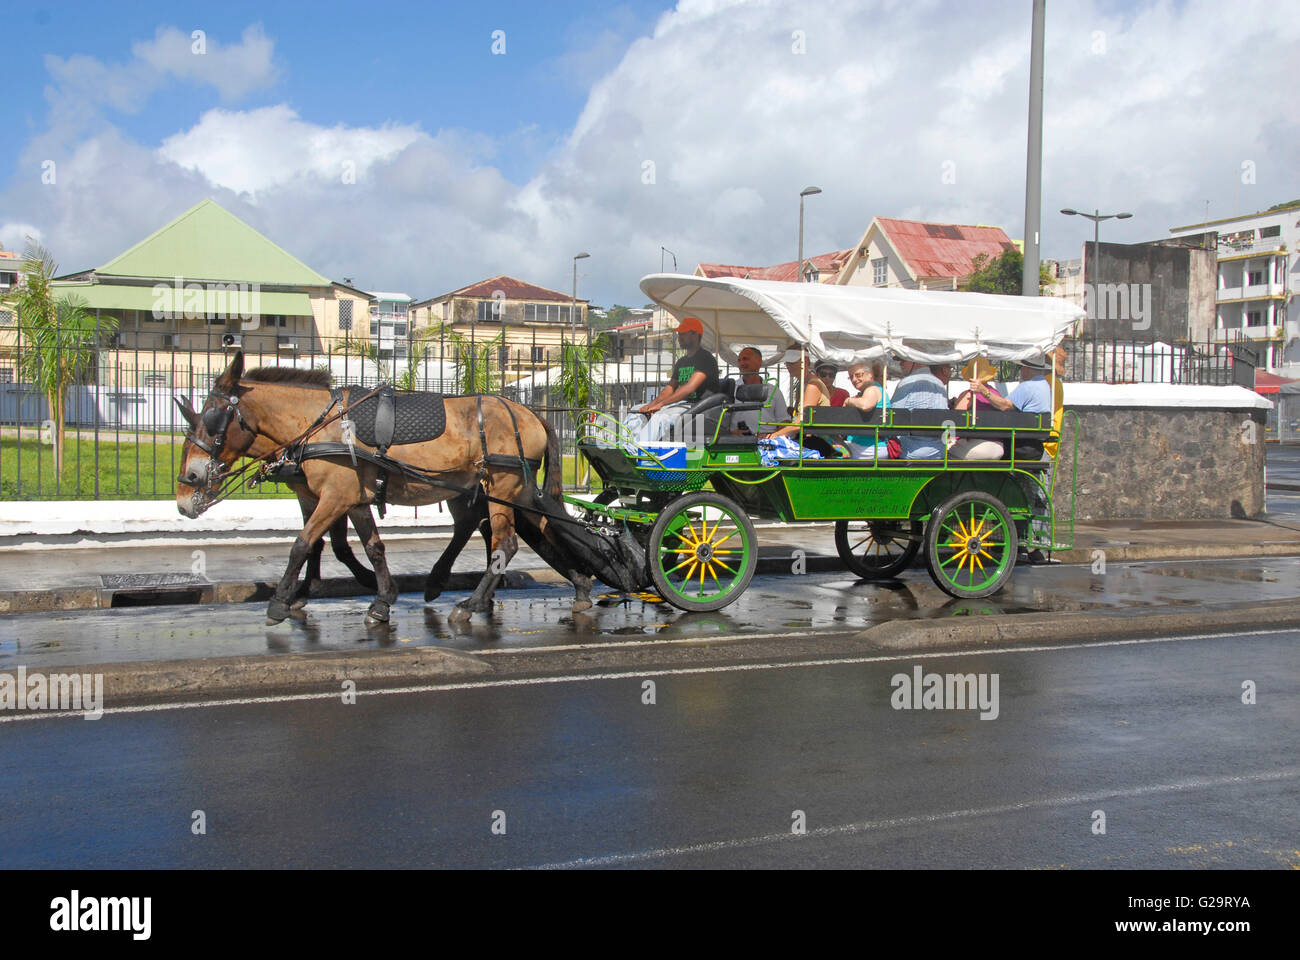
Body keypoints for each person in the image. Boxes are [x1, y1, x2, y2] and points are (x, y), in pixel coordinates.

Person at [623, 316, 719, 444]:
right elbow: (670, 388)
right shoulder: (682, 362)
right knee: (636, 410)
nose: (679, 337)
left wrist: (661, 405)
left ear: (695, 335)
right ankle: (624, 446)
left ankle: (638, 452)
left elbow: (690, 388)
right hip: (682, 405)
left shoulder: (706, 358)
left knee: (660, 417)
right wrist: (650, 405)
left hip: (699, 407)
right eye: (679, 334)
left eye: (683, 334)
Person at [889, 359, 950, 459]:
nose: (900, 364)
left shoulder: (907, 383)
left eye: (904, 360)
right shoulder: (939, 384)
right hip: (938, 451)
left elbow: (893, 415)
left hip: (909, 450)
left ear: (917, 361)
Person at [948, 356, 1006, 460]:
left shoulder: (969, 395)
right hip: (999, 448)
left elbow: (955, 419)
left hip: (978, 447)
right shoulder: (996, 395)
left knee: (944, 447)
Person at [730, 346, 789, 436]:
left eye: (745, 359)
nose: (741, 363)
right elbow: (721, 421)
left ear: (759, 361)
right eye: (739, 360)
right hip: (738, 442)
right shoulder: (731, 388)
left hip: (767, 444)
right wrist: (732, 433)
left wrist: (772, 437)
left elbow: (784, 421)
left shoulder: (773, 390)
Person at [843, 360, 889, 458]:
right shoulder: (872, 390)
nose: (854, 379)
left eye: (858, 375)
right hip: (867, 446)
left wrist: (848, 400)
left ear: (870, 374)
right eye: (851, 377)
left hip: (869, 447)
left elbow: (866, 405)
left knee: (829, 446)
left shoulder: (872, 389)